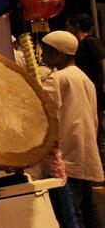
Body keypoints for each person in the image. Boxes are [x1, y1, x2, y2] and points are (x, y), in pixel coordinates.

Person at [40, 30, 104, 227]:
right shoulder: (85, 79)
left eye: (45, 52)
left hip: (67, 154)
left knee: (70, 212)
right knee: (89, 208)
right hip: (86, 152)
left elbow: (42, 109)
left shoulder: (57, 79)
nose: (42, 56)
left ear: (57, 54)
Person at [67, 13, 105, 176]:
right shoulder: (82, 44)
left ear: (76, 25)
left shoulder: (90, 42)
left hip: (96, 88)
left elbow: (103, 61)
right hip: (91, 88)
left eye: (69, 25)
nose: (67, 28)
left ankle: (100, 164)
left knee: (97, 125)